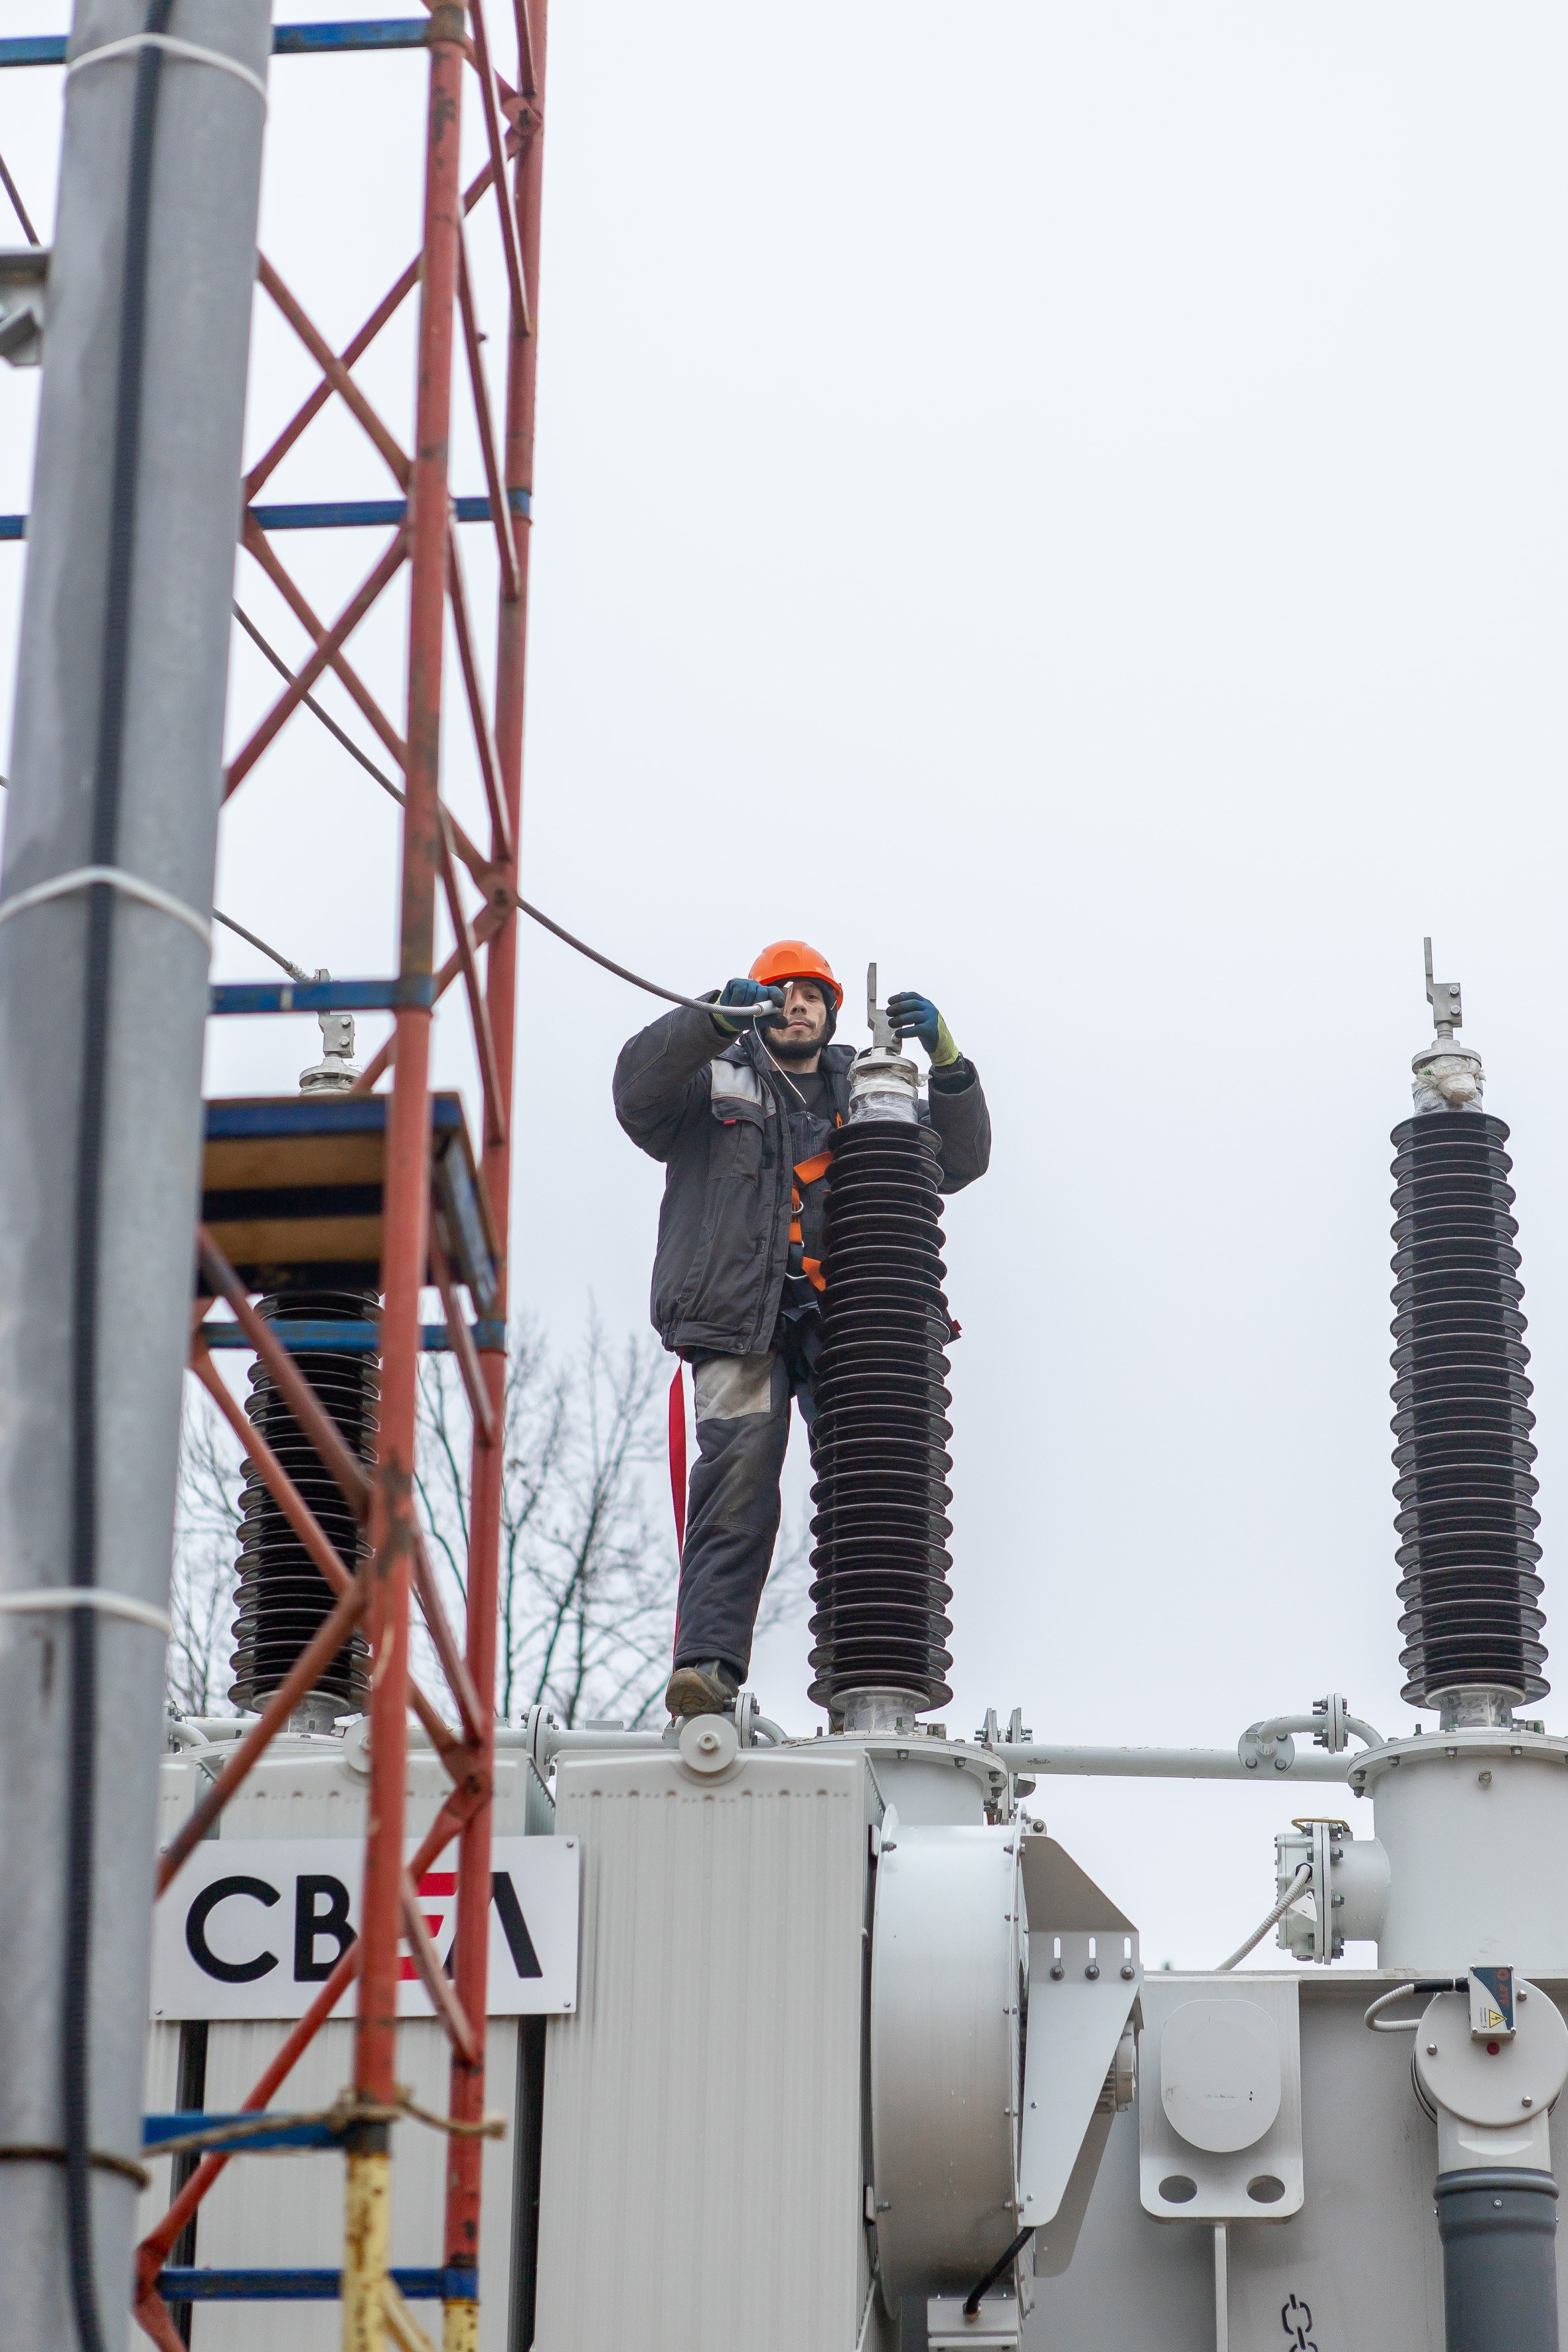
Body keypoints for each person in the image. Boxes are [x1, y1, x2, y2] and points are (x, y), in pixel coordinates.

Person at [613, 940, 992, 1719]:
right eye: (783, 993)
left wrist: (949, 1064)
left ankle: (871, 1670)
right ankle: (707, 1669)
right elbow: (635, 1091)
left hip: (845, 1328)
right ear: (760, 1006)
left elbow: (961, 1158)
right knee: (738, 1480)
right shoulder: (712, 1078)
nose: (796, 1004)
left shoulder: (866, 1095)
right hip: (733, 1323)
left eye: (811, 994)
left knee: (872, 1483)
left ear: (831, 1011)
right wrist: (706, 1021)